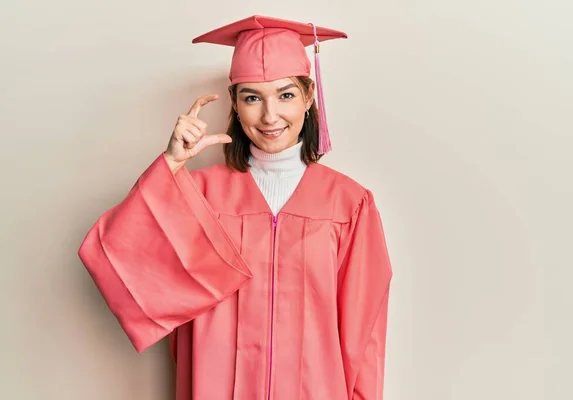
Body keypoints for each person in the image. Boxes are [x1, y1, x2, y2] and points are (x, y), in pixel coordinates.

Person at [78, 15, 393, 400]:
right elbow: (116, 256)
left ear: (309, 98)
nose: (270, 115)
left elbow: (366, 333)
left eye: (286, 95)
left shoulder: (349, 203)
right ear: (234, 102)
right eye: (252, 97)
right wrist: (172, 164)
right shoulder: (199, 194)